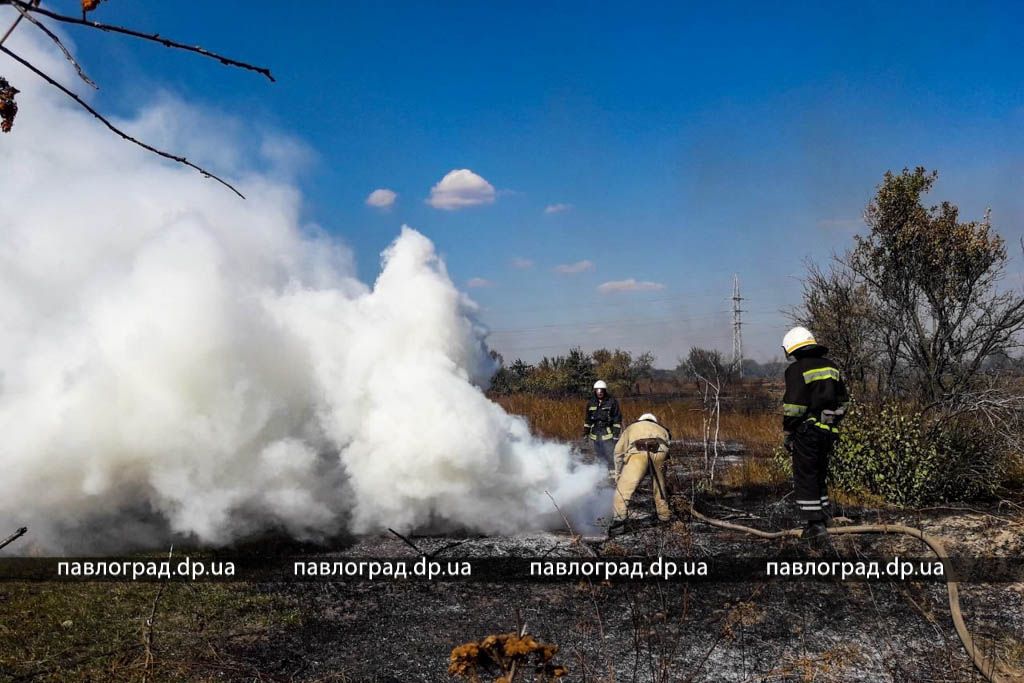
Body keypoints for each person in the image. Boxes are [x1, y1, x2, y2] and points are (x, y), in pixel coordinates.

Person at [781, 326, 849, 542]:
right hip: (828, 431)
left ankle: (814, 525)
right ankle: (824, 515)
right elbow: (844, 401)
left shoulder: (796, 370)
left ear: (792, 349)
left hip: (806, 431)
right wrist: (832, 419)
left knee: (806, 475)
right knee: (820, 473)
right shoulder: (831, 367)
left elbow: (793, 407)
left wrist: (790, 430)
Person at [611, 413, 672, 525]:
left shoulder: (631, 428)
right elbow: (668, 448)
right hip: (661, 452)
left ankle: (618, 522)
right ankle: (664, 518)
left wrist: (618, 474)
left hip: (638, 453)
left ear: (640, 420)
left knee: (623, 491)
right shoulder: (662, 428)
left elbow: (618, 452)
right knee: (659, 488)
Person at [583, 380, 622, 474]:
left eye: (601, 390)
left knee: (610, 455)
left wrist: (616, 435)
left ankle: (613, 475)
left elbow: (617, 419)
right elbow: (588, 420)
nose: (599, 392)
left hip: (607, 434)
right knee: (599, 455)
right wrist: (585, 433)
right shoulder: (591, 403)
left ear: (604, 391)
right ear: (595, 391)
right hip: (595, 435)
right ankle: (602, 474)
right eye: (597, 390)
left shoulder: (612, 402)